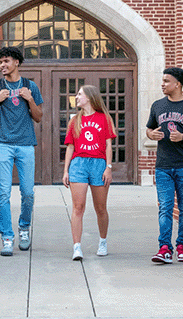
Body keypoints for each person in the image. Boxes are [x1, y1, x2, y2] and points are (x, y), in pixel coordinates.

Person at [0, 47, 43, 256]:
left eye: (6, 61)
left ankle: (24, 227)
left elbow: (38, 116)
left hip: (26, 144)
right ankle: (7, 237)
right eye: (0, 62)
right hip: (3, 144)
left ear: (17, 62)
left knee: (27, 192)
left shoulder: (30, 86)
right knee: (4, 193)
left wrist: (30, 99)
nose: (2, 65)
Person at [146, 67, 183, 264]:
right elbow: (149, 129)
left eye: (166, 81)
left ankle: (182, 246)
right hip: (163, 165)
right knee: (165, 207)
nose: (162, 84)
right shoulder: (157, 106)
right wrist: (150, 134)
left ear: (177, 84)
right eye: (162, 81)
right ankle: (164, 248)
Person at [62, 85, 116, 261]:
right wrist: (66, 170)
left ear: (90, 97)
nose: (76, 97)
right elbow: (70, 147)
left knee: (100, 208)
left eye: (79, 94)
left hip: (99, 164)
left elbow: (108, 144)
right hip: (78, 164)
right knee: (78, 207)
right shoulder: (74, 121)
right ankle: (77, 247)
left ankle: (103, 241)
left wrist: (108, 167)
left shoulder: (104, 118)